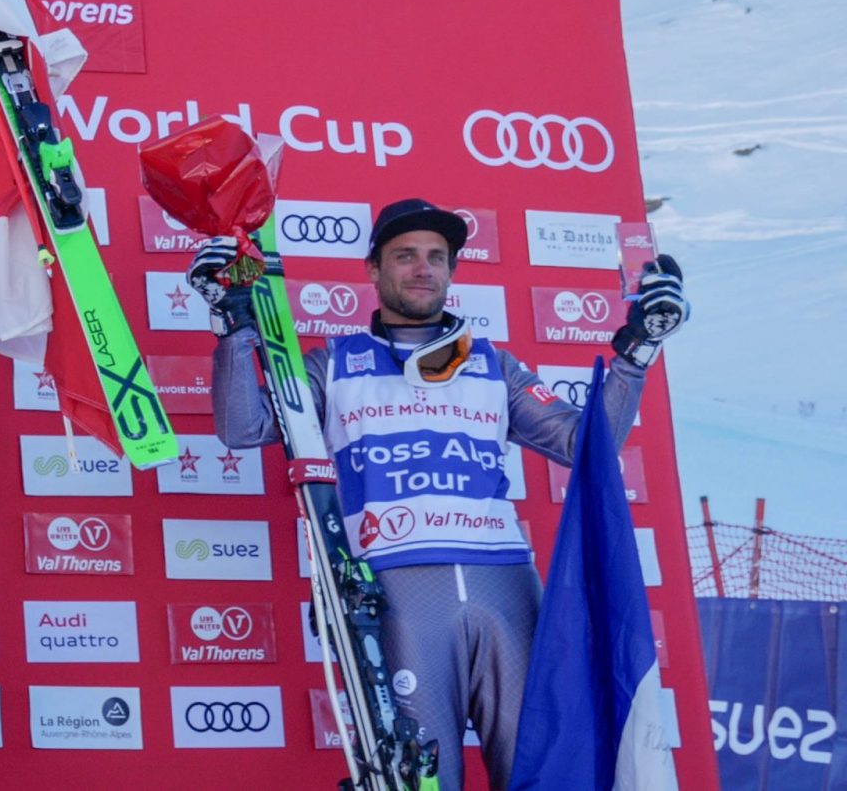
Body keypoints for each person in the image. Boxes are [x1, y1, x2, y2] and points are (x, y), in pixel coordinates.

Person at [193, 197, 688, 790]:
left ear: (452, 271)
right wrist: (233, 325)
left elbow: (588, 445)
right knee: (419, 776)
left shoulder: (492, 365)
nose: (423, 268)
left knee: (543, 769)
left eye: (436, 257)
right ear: (374, 271)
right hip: (398, 592)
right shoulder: (334, 365)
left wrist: (637, 351)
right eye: (404, 256)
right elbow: (243, 427)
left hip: (504, 585)